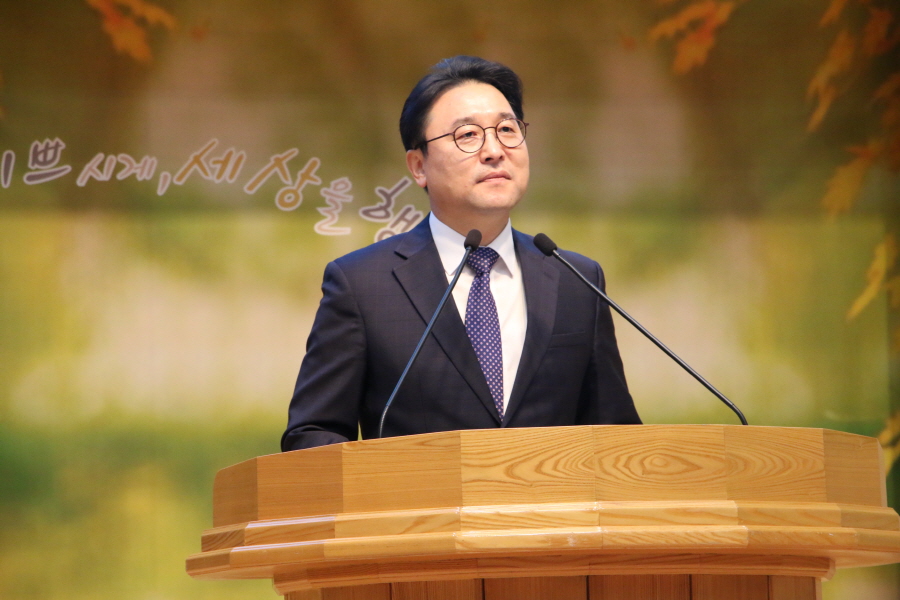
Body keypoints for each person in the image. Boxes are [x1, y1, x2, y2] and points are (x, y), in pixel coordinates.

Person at [281, 56, 640, 451]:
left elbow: (616, 434)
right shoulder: (363, 285)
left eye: (507, 130)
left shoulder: (577, 279)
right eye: (468, 135)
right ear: (419, 166)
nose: (494, 150)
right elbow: (313, 433)